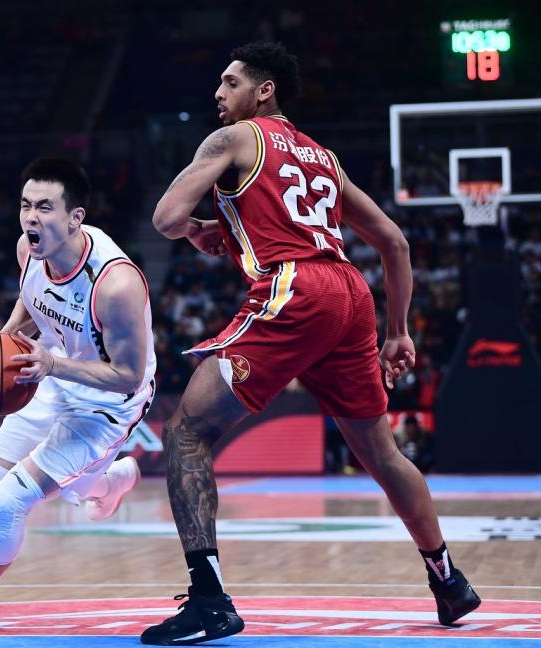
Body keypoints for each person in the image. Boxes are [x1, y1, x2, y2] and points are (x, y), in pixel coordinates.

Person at [143, 42, 480, 645]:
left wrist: (193, 229)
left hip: (295, 288)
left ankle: (210, 602)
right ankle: (449, 582)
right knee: (382, 455)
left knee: (186, 432)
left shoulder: (233, 139)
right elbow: (394, 242)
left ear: (263, 90)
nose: (218, 93)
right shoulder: (324, 157)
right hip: (351, 295)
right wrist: (397, 332)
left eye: (230, 82)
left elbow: (165, 219)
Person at [0, 158, 156, 633]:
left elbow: (129, 376)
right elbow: (34, 300)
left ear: (75, 217)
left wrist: (54, 365)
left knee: (9, 501)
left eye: (45, 207)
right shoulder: (28, 250)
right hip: (51, 371)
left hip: (108, 403)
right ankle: (107, 482)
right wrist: (2, 341)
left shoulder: (116, 284)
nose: (31, 217)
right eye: (25, 205)